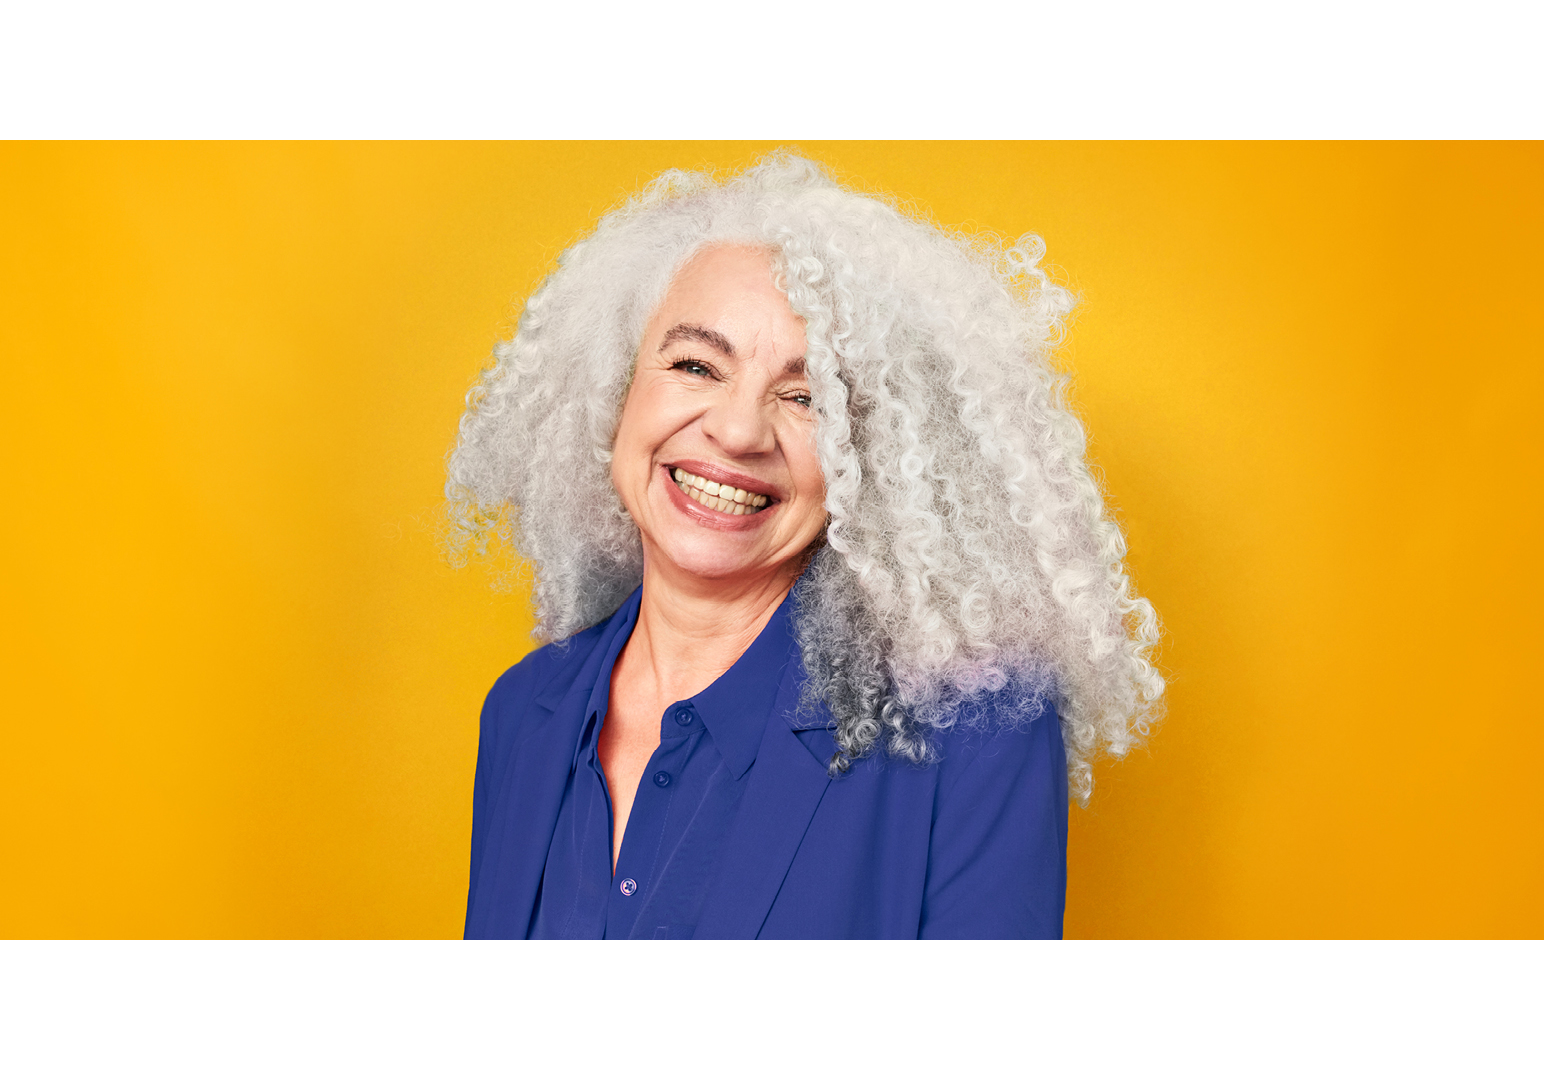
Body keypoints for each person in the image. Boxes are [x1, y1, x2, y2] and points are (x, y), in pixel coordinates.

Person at [446, 155, 1163, 939]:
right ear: (616, 395)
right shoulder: (524, 712)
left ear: (872, 458)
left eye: (807, 397)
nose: (738, 431)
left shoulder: (977, 733)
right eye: (695, 365)